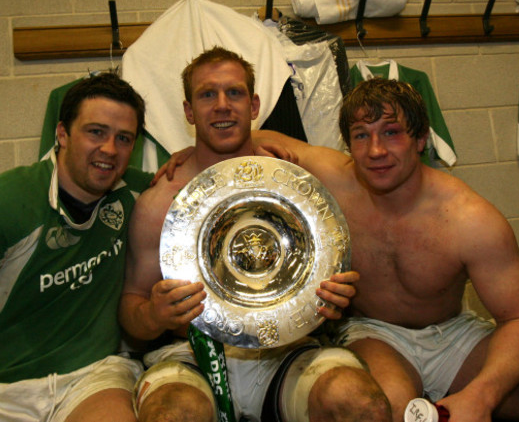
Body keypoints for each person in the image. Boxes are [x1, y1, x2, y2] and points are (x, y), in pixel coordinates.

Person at [245, 78, 519, 422]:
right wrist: (188, 155)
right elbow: (244, 134)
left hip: (454, 334)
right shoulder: (333, 178)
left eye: (391, 132)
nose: (375, 150)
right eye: (361, 135)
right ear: (349, 144)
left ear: (420, 139)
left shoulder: (470, 218)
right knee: (383, 407)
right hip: (374, 331)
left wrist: (482, 395)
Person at [119, 47, 391, 422]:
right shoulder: (161, 202)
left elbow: (331, 276)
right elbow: (130, 312)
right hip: (191, 354)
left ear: (254, 105)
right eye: (206, 94)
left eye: (234, 93)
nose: (222, 105)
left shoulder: (293, 183)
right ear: (188, 111)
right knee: (172, 415)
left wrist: (335, 299)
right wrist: (152, 314)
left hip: (287, 352)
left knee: (362, 404)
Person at [0, 73, 152, 422]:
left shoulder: (138, 194)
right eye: (96, 132)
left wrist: (259, 135)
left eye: (123, 138)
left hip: (92, 377)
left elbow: (200, 175)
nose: (109, 149)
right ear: (62, 134)